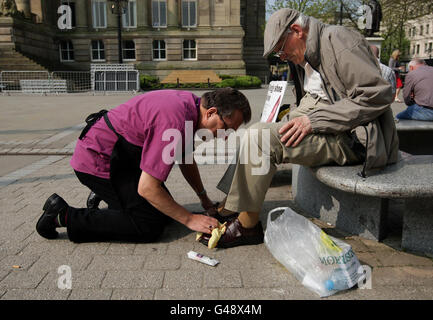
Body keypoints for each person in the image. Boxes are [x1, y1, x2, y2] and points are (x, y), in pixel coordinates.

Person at [198, 8, 399, 249]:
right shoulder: (308, 55)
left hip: (356, 138)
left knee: (259, 139)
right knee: (255, 134)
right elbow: (315, 98)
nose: (281, 57)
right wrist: (294, 117)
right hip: (328, 123)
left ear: (297, 31)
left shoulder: (339, 40)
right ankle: (231, 206)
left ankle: (247, 226)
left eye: (281, 48)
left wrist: (314, 121)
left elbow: (378, 95)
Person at [36, 88, 251, 243]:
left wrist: (204, 200)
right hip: (97, 161)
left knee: (163, 211)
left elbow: (186, 159)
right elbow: (148, 188)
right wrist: (189, 219)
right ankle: (62, 214)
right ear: (211, 112)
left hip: (124, 161)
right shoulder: (175, 120)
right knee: (147, 225)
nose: (224, 137)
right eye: (226, 128)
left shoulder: (191, 108)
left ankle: (113, 195)